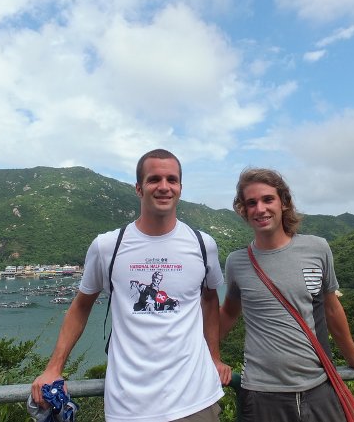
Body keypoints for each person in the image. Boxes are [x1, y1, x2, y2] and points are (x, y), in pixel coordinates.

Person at [32, 149, 231, 422]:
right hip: (129, 406)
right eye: (154, 179)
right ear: (139, 188)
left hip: (195, 400)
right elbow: (80, 307)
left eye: (171, 180)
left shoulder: (202, 243)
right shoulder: (108, 246)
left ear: (180, 188)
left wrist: (215, 358)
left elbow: (209, 301)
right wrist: (54, 368)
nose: (164, 187)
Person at [219, 168, 354, 422]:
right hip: (261, 393)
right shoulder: (236, 262)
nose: (260, 209)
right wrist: (211, 357)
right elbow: (227, 313)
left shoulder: (317, 248)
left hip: (317, 386)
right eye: (251, 203)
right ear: (243, 210)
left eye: (268, 199)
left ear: (284, 202)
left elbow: (332, 308)